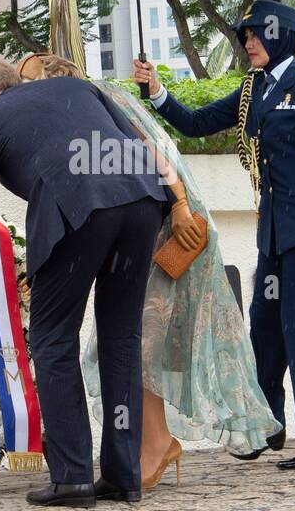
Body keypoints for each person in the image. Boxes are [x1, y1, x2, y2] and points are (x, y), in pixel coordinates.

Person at [17, 53, 281, 488]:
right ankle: (152, 443)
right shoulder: (88, 103)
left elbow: (154, 151)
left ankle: (155, 444)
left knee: (135, 338)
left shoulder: (99, 99)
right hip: (151, 222)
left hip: (168, 228)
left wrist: (177, 204)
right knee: (130, 339)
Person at [133, 0, 295, 470]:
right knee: (266, 334)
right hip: (274, 233)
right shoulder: (256, 89)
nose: (248, 43)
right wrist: (156, 93)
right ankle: (266, 427)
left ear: (278, 36)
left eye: (255, 35)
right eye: (245, 36)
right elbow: (196, 123)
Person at [0, 62, 182, 507]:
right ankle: (124, 475)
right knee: (121, 338)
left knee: (52, 340)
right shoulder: (77, 87)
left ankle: (72, 477)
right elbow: (141, 141)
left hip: (81, 207)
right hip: (143, 200)